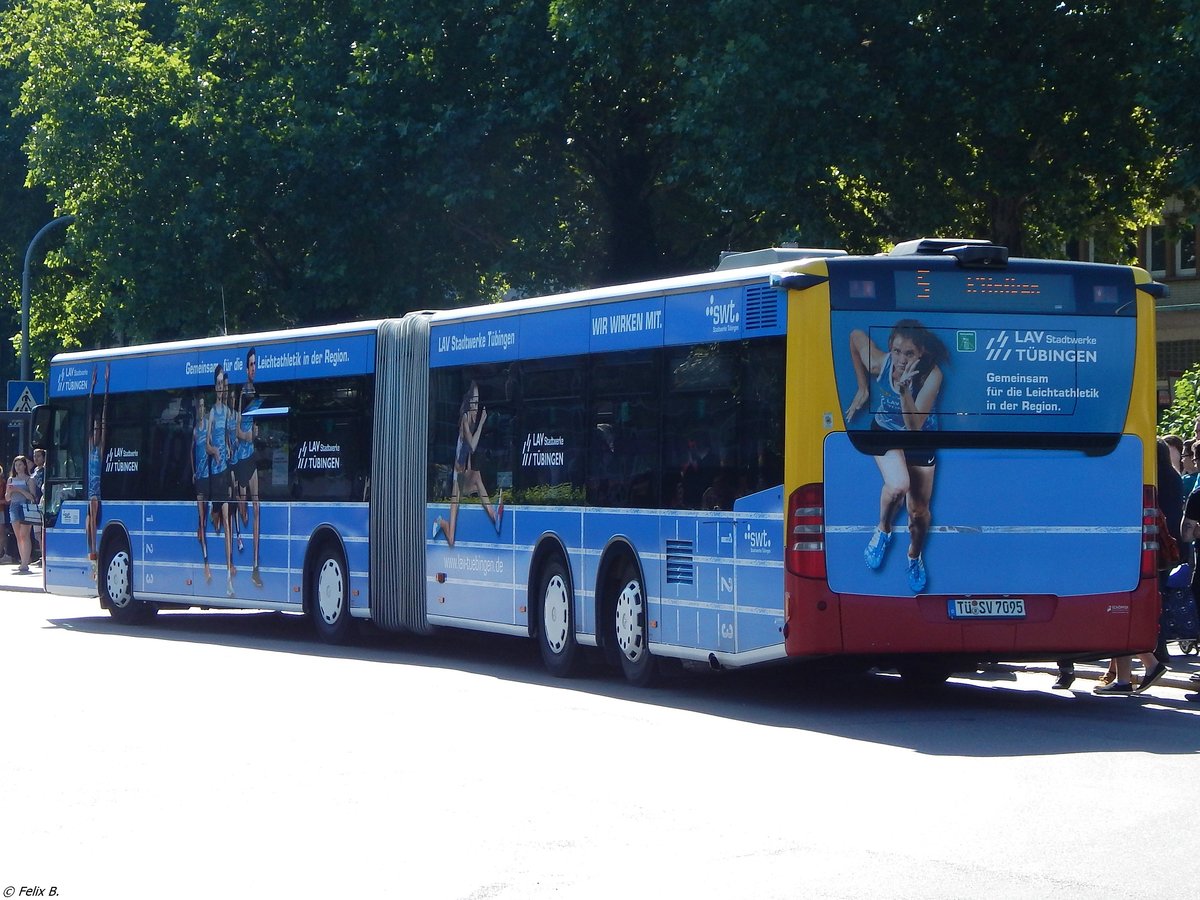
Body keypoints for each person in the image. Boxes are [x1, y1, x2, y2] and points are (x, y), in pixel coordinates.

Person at [844, 319, 949, 593]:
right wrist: (862, 388)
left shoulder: (932, 375)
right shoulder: (881, 363)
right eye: (898, 351)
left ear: (921, 353)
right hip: (887, 431)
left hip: (918, 435)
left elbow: (914, 427)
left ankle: (914, 557)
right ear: (890, 348)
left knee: (919, 512)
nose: (902, 359)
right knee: (898, 486)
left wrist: (904, 390)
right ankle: (883, 530)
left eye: (909, 353)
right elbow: (856, 335)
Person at [1095, 438, 1177, 695]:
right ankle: (1124, 677)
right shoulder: (1168, 478)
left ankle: (1146, 666)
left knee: (1120, 615)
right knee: (1124, 614)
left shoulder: (1132, 484)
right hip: (1150, 554)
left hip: (1129, 555)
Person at [432, 380, 503, 547]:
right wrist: (482, 423)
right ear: (468, 401)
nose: (476, 406)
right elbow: (471, 445)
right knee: (477, 478)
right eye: (474, 402)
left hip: (460, 475)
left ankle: (441, 522)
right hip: (458, 474)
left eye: (478, 402)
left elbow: (468, 453)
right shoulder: (465, 419)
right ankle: (494, 516)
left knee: (451, 538)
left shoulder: (471, 419)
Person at [233, 348, 263, 588]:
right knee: (244, 511)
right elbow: (237, 431)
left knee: (257, 506)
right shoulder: (242, 393)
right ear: (246, 368)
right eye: (250, 364)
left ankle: (255, 565)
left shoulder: (258, 393)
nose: (253, 368)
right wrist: (249, 435)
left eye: (256, 364)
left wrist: (256, 434)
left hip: (251, 457)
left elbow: (257, 426)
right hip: (241, 458)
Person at [207, 365, 236, 596]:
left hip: (225, 470)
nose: (220, 389)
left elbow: (229, 437)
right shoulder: (211, 414)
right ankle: (212, 514)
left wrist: (229, 448)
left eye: (222, 386)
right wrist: (214, 450)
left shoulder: (227, 412)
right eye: (217, 386)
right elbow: (207, 443)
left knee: (227, 520)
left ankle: (228, 574)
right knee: (216, 518)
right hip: (214, 471)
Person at [86, 364, 110, 577]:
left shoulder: (99, 449)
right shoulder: (89, 446)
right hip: (88, 491)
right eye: (93, 429)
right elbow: (90, 415)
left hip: (96, 490)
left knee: (93, 520)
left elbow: (102, 418)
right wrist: (93, 387)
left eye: (97, 429)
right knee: (87, 524)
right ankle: (91, 554)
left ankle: (94, 553)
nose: (95, 431)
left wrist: (105, 386)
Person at [191, 392, 213, 584]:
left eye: (204, 406)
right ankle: (206, 561)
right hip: (200, 478)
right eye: (200, 406)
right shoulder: (195, 430)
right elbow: (192, 453)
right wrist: (193, 472)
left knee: (208, 516)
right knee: (202, 519)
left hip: (209, 477)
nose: (202, 409)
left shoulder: (208, 427)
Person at [7, 455, 38, 574]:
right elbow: (7, 498)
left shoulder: (29, 480)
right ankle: (22, 560)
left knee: (25, 535)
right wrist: (10, 491)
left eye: (20, 464)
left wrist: (18, 490)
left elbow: (32, 496)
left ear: (25, 465)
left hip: (25, 506)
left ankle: (25, 562)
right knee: (18, 536)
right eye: (16, 465)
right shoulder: (10, 480)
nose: (18, 467)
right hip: (13, 507)